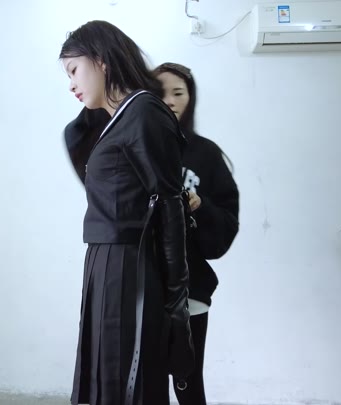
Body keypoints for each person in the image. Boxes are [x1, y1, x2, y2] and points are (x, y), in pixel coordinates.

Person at [60, 21, 194, 405]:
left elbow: (169, 207)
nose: (71, 84)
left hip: (128, 268)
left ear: (101, 60)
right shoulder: (120, 118)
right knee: (108, 382)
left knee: (126, 384)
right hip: (107, 264)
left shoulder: (144, 113)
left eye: (74, 70)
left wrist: (176, 305)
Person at [154, 62, 240, 405]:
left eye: (179, 92)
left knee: (187, 378)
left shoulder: (205, 153)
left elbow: (227, 224)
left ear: (191, 99)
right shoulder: (136, 147)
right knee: (144, 377)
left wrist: (200, 206)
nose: (170, 100)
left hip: (190, 284)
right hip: (141, 283)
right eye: (161, 92)